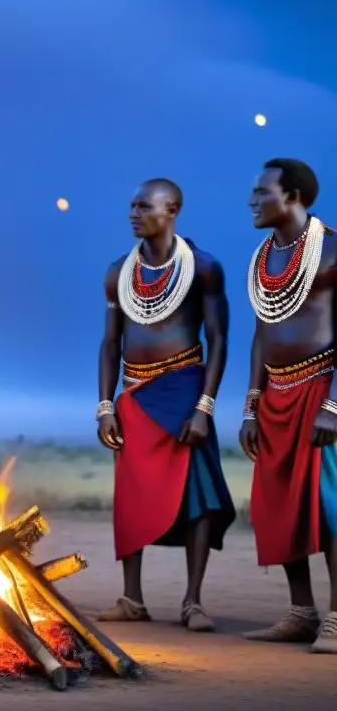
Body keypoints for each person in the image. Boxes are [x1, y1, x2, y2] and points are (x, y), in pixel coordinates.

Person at [95, 178, 235, 633]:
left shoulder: (204, 268)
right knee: (131, 499)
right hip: (134, 397)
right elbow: (110, 342)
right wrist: (104, 406)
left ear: (171, 209)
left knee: (197, 496)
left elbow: (218, 339)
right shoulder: (119, 271)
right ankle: (131, 598)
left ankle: (192, 601)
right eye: (131, 206)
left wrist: (205, 407)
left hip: (185, 390)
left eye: (143, 206)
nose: (133, 213)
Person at [239, 158, 337, 653]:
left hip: (322, 391)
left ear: (293, 196)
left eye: (262, 192)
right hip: (276, 395)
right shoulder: (262, 258)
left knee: (330, 507)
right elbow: (261, 334)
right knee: (276, 507)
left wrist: (334, 406)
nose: (252, 201)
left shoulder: (334, 248)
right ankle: (302, 613)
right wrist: (251, 406)